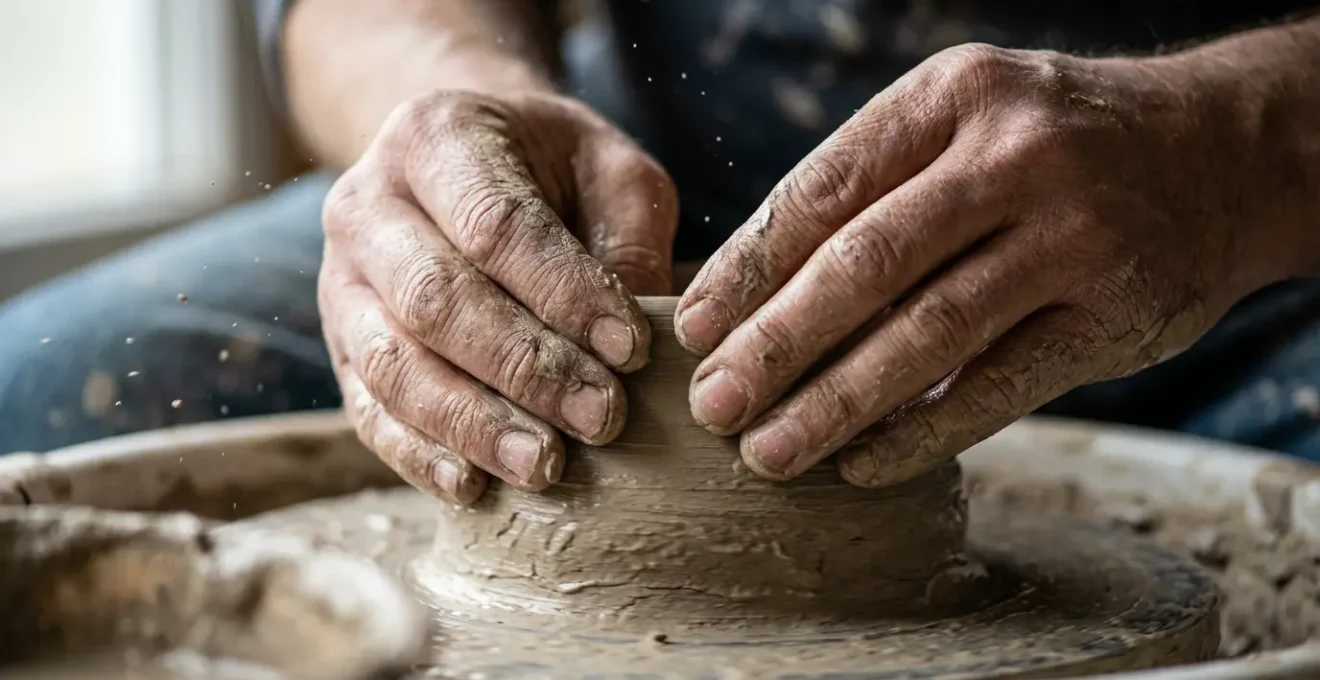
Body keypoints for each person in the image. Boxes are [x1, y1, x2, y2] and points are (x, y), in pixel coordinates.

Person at [1, 0, 1318, 505]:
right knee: (43, 403)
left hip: (1253, 224)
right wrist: (445, 88)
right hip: (622, 194)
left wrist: (1244, 144)